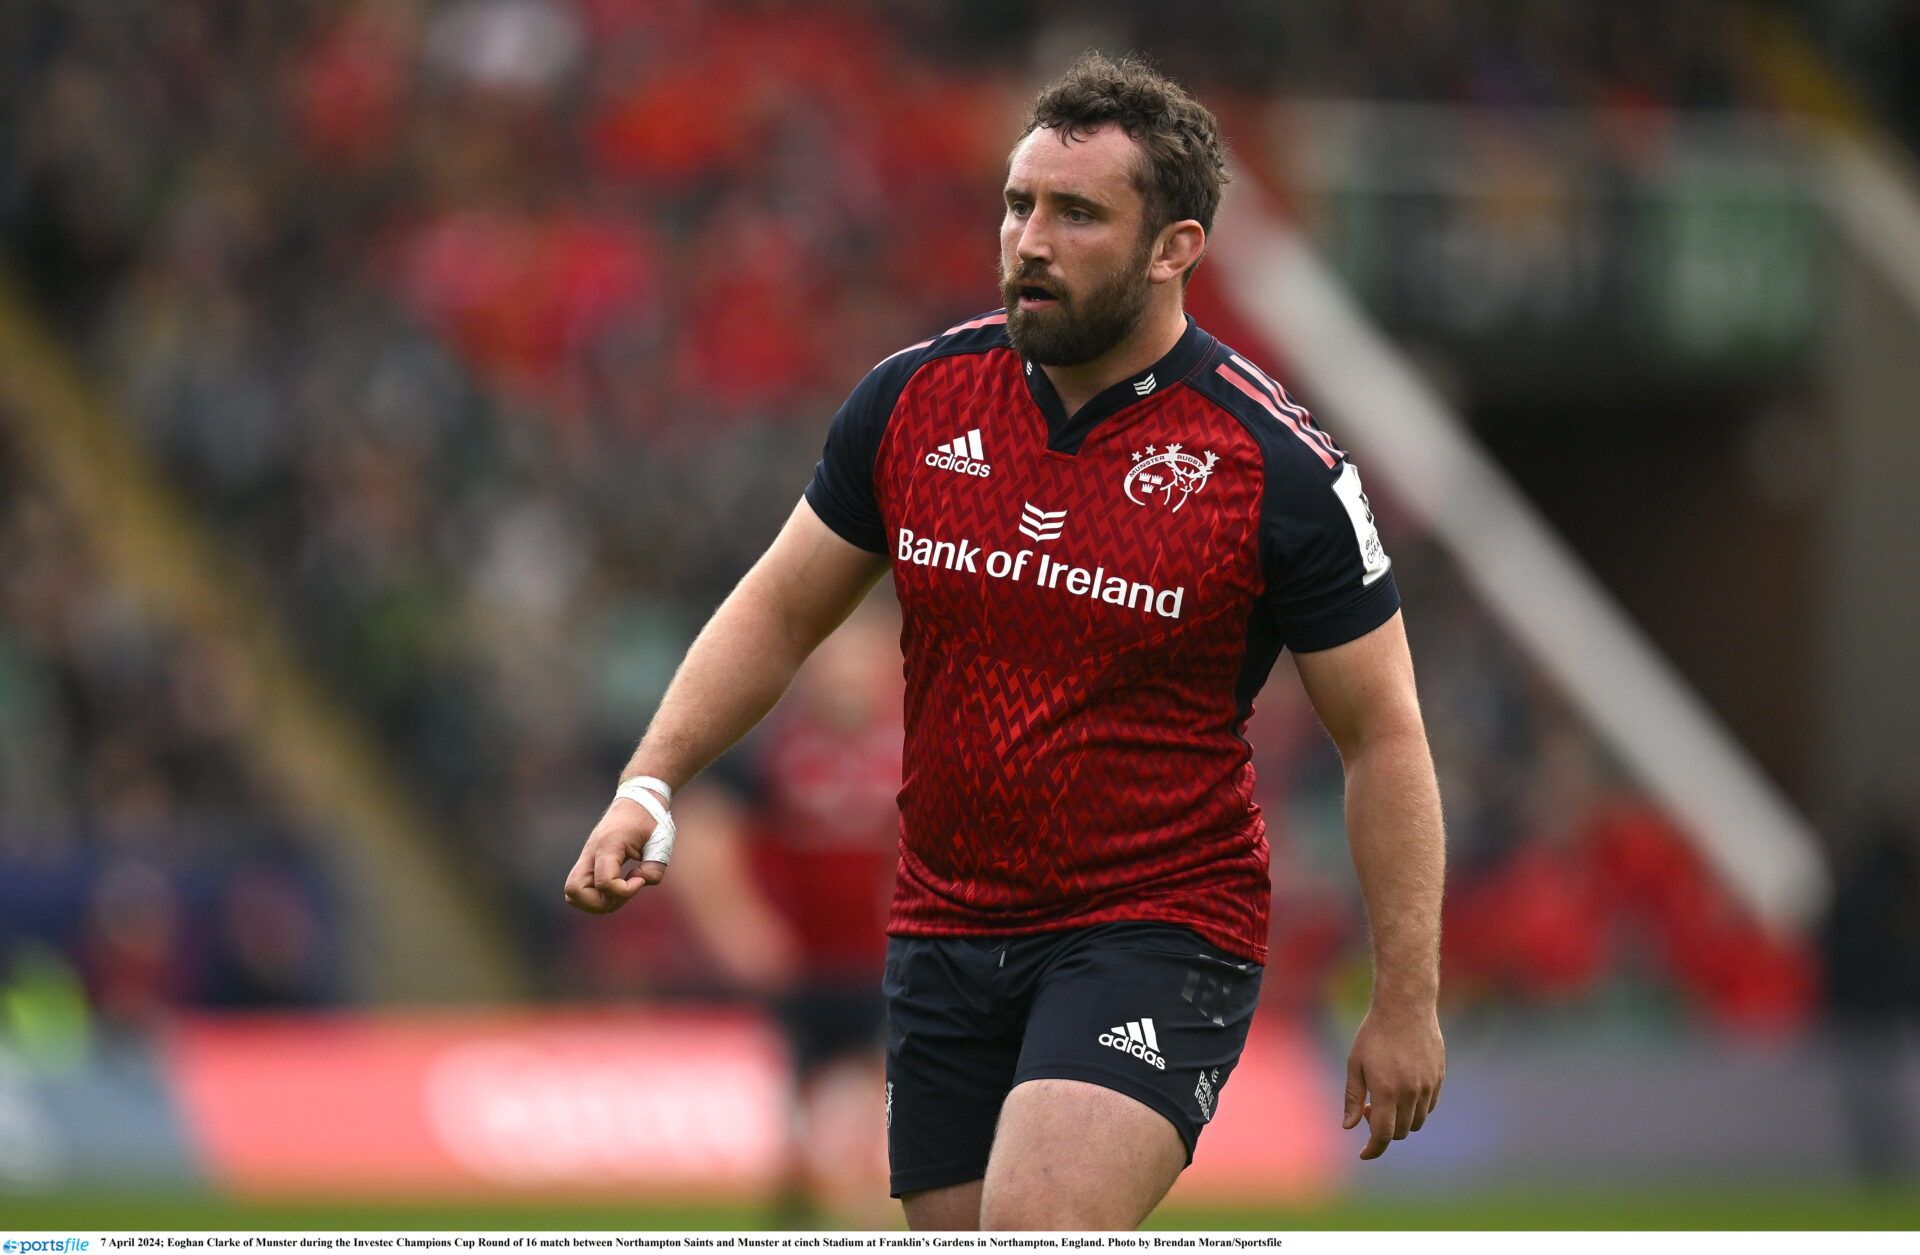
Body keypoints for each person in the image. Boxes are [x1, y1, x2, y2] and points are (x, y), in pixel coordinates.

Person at [566, 52, 1447, 1231]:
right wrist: (651, 781)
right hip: (944, 927)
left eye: (1077, 214)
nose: (1031, 239)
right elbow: (778, 609)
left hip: (1153, 923)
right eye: (1019, 203)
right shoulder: (914, 400)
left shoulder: (1275, 468)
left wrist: (1406, 998)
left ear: (1174, 247)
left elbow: (1382, 733)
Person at [669, 602, 904, 1224]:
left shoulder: (919, 741)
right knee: (801, 1114)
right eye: (836, 659)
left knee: (873, 1096)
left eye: (861, 660)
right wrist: (734, 923)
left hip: (889, 963)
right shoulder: (775, 749)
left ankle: (861, 1202)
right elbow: (703, 831)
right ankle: (804, 1198)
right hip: (802, 963)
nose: (847, 677)